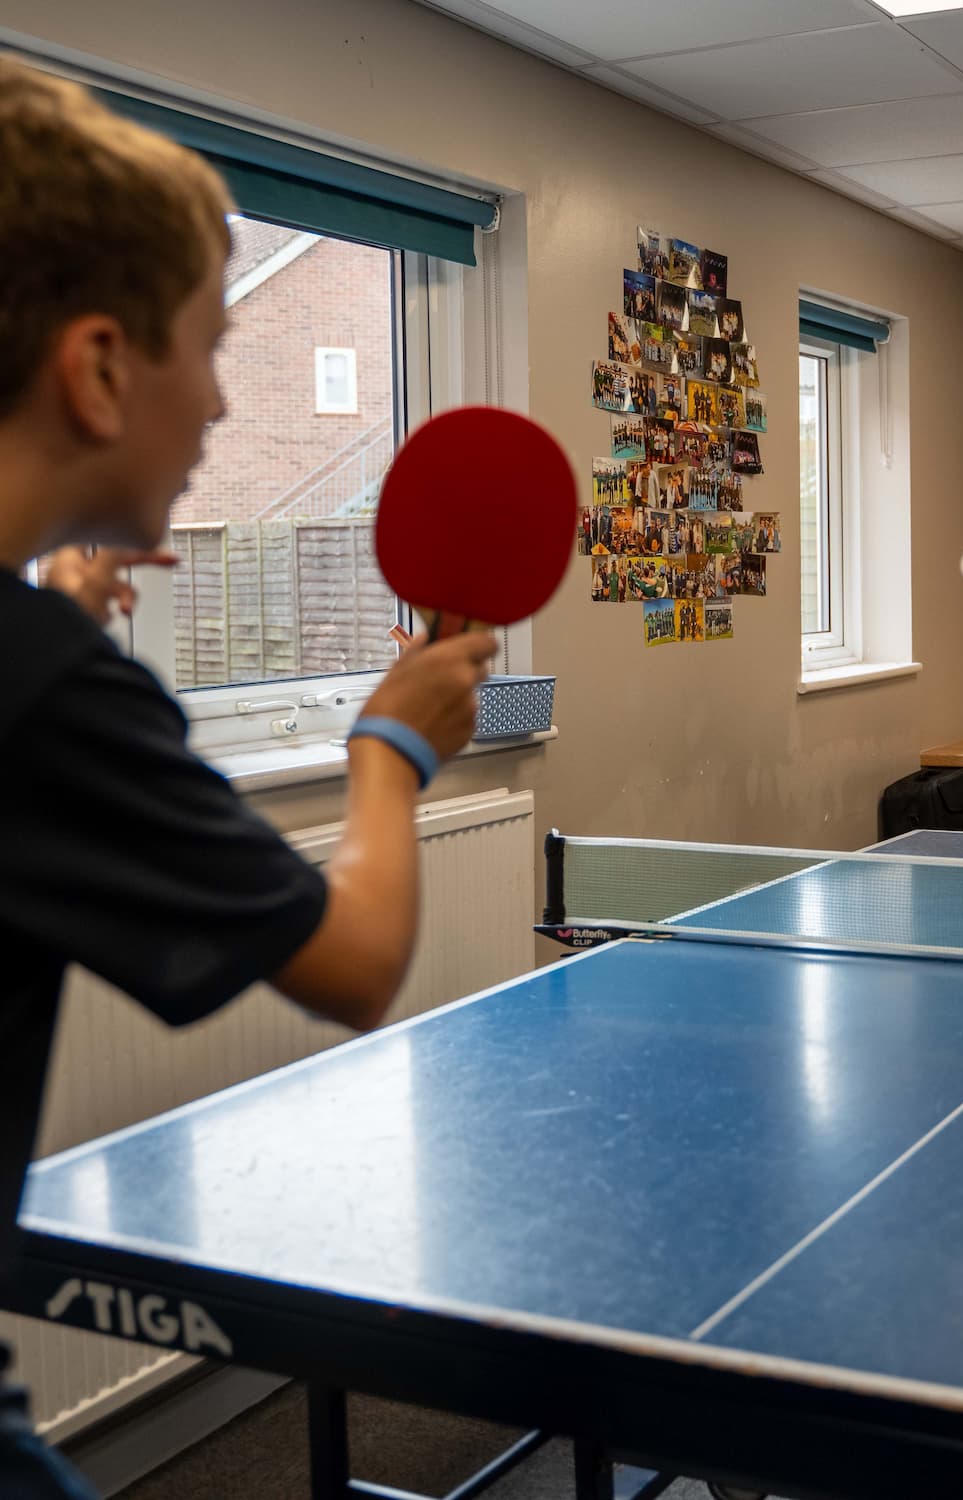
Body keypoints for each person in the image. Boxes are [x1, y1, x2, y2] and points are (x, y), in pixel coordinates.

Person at [0, 58, 499, 1499]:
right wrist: (393, 744)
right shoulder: (44, 686)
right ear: (100, 368)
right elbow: (351, 964)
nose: (222, 401)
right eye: (211, 346)